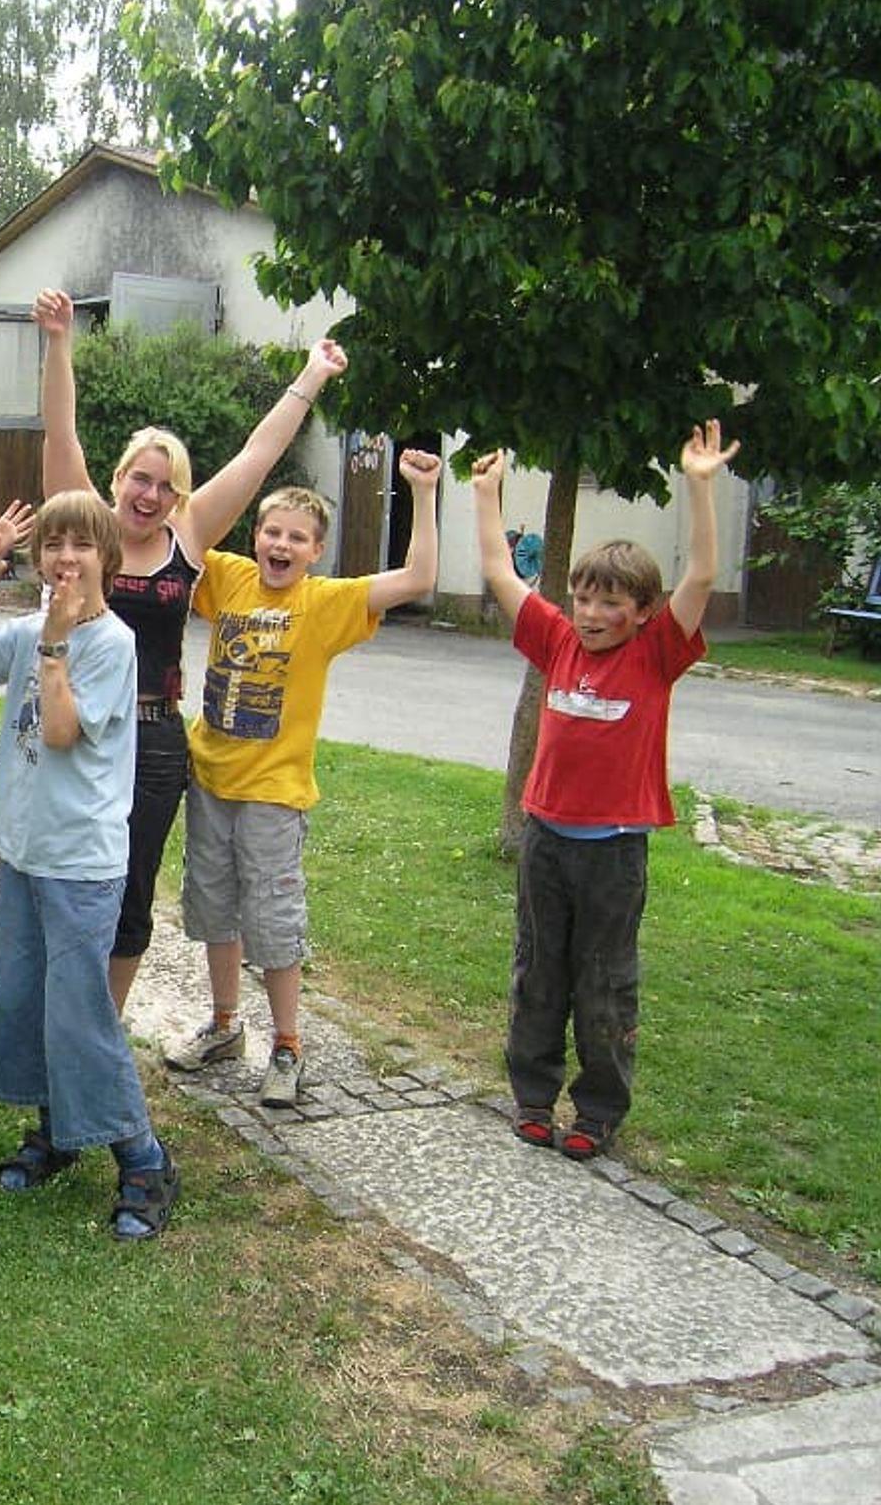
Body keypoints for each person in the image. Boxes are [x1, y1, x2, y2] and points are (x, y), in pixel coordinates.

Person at [34, 288, 349, 1013]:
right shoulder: (87, 525)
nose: (151, 494)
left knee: (133, 886)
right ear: (118, 479)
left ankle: (103, 1028)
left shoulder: (191, 532)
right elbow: (61, 434)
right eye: (140, 479)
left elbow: (258, 455)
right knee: (66, 874)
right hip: (75, 726)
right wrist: (58, 342)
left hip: (153, 739)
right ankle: (59, 1009)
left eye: (166, 485)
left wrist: (311, 376)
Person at [471, 425, 735, 1159]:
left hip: (614, 854)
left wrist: (700, 486)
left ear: (643, 611)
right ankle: (532, 1096)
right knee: (538, 973)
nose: (589, 613)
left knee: (604, 983)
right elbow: (498, 572)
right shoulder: (556, 641)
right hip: (546, 844)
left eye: (608, 603)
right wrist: (487, 495)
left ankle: (597, 1111)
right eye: (582, 598)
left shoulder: (657, 654)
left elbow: (702, 575)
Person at [0, 489, 180, 1240]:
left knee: (78, 1013)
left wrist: (55, 644)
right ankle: (58, 1131)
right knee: (24, 1001)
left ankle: (143, 1159)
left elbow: (64, 731)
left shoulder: (112, 642)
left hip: (81, 861)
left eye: (81, 544)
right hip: (26, 851)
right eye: (53, 544)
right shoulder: (32, 627)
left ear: (108, 557)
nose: (65, 557)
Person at [164, 450, 445, 1107]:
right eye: (272, 532)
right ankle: (225, 1026)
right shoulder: (227, 576)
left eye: (297, 537)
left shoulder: (324, 603)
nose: (281, 545)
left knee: (273, 921)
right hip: (210, 782)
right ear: (255, 538)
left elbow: (419, 576)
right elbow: (181, 530)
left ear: (316, 552)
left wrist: (422, 493)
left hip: (273, 796)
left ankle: (287, 1044)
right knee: (214, 910)